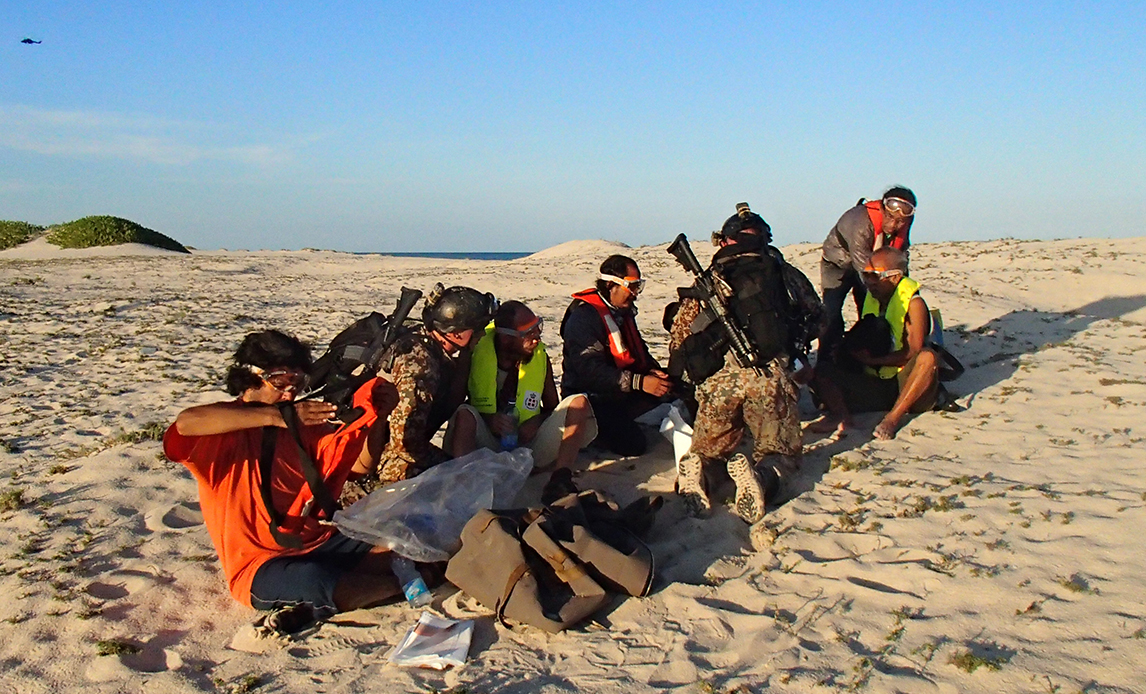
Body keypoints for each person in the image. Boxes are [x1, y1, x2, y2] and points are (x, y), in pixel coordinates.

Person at [163, 330, 405, 626]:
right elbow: (185, 424)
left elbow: (360, 466)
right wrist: (276, 417)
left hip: (316, 542)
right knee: (321, 581)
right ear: (250, 377)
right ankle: (395, 587)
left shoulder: (302, 423)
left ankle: (388, 582)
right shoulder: (225, 431)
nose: (289, 393)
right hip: (259, 564)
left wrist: (377, 418)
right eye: (279, 382)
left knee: (401, 547)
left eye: (298, 383)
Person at [668, 204, 803, 523]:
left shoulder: (712, 277)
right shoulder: (780, 271)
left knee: (710, 450)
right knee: (779, 453)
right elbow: (813, 314)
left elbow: (680, 336)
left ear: (725, 241)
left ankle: (702, 474)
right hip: (768, 378)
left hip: (718, 383)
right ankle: (761, 478)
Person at [342, 284, 498, 501]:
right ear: (456, 333)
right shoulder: (421, 366)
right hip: (376, 466)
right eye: (478, 328)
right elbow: (405, 443)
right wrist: (452, 467)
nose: (482, 335)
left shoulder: (426, 342)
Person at [443, 300, 598, 502]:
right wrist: (489, 420)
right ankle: (467, 482)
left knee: (579, 403)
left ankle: (560, 479)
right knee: (464, 414)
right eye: (529, 334)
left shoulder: (539, 356)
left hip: (527, 446)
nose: (536, 339)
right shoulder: (476, 352)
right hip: (488, 446)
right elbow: (455, 403)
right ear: (506, 339)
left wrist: (537, 421)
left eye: (538, 329)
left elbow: (552, 407)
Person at [812, 246, 939, 440]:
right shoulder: (873, 299)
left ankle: (892, 419)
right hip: (875, 382)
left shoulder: (914, 304)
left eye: (875, 276)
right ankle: (842, 416)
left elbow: (913, 351)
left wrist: (875, 361)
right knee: (821, 369)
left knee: (927, 358)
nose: (869, 282)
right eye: (865, 275)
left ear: (895, 277)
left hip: (904, 380)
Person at [560, 254, 672, 456]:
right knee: (634, 445)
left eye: (639, 286)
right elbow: (589, 371)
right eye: (632, 287)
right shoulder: (584, 318)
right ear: (611, 285)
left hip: (620, 388)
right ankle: (595, 434)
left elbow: (638, 350)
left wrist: (651, 371)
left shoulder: (622, 311)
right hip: (592, 396)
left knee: (672, 388)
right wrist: (640, 382)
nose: (636, 293)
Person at [819, 186, 917, 363]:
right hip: (838, 264)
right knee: (831, 313)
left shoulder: (905, 222)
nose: (894, 225)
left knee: (868, 313)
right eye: (890, 218)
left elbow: (900, 260)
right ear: (881, 209)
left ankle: (866, 357)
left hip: (874, 267)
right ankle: (825, 363)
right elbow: (865, 269)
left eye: (901, 221)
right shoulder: (861, 223)